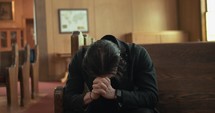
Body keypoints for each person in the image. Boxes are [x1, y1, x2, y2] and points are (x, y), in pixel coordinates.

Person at [63, 35, 159, 113]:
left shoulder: (138, 54)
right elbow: (68, 98)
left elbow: (151, 97)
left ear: (120, 63)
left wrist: (116, 94)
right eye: (97, 76)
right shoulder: (80, 57)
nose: (103, 81)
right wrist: (90, 96)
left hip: (131, 108)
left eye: (108, 76)